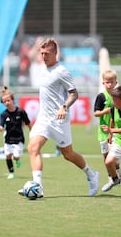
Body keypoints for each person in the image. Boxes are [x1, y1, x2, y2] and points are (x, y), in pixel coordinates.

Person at [19, 38, 99, 197]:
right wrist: (38, 45)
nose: (43, 56)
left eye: (47, 53)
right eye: (42, 53)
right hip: (43, 118)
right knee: (33, 147)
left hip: (59, 119)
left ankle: (91, 174)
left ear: (55, 53)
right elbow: (29, 56)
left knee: (68, 154)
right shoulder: (42, 67)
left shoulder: (62, 71)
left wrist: (64, 107)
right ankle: (38, 187)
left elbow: (74, 94)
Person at [93, 70, 121, 190]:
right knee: (106, 157)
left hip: (115, 131)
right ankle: (113, 177)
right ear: (103, 83)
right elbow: (96, 113)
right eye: (107, 82)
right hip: (103, 131)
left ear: (116, 82)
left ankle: (115, 176)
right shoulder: (101, 96)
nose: (109, 84)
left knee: (112, 155)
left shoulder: (119, 96)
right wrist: (106, 111)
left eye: (112, 82)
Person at [0, 86, 32, 179]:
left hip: (19, 138)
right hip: (8, 138)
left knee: (15, 156)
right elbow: (1, 125)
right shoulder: (3, 114)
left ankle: (17, 160)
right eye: (4, 101)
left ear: (12, 100)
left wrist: (32, 133)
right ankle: (11, 172)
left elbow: (28, 123)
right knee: (8, 155)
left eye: (8, 100)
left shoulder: (21, 112)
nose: (7, 103)